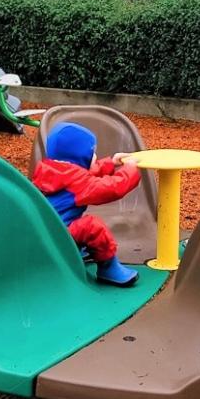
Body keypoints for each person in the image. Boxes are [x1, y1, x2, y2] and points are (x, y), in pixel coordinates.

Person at [31, 122, 141, 286]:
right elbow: (112, 189)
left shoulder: (49, 169)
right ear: (79, 156)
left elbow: (83, 174)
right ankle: (108, 268)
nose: (95, 155)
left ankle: (76, 248)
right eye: (92, 152)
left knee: (77, 225)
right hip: (60, 236)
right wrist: (130, 169)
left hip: (43, 234)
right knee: (92, 227)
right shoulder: (76, 182)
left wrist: (111, 162)